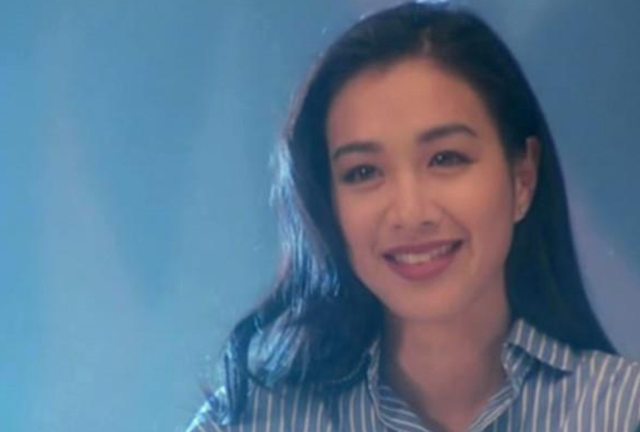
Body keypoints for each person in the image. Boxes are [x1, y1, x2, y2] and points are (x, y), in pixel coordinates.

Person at [187, 2, 640, 431]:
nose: (410, 213)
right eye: (363, 172)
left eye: (446, 159)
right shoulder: (251, 419)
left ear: (523, 180)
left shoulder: (622, 411)